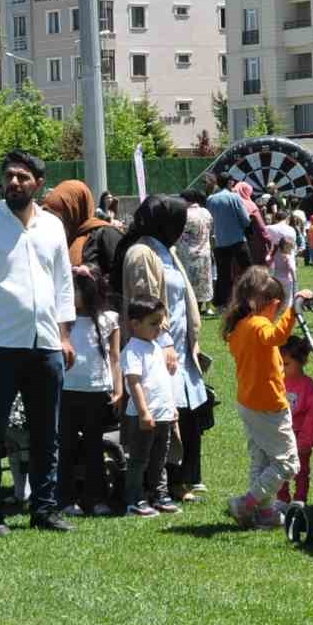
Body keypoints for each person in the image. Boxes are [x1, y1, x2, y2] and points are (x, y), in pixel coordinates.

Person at [0, 150, 77, 535]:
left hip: (46, 343)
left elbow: (63, 284)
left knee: (48, 432)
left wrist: (65, 336)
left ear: (38, 183)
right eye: (9, 176)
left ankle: (44, 510)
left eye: (23, 177)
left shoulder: (53, 227)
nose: (14, 182)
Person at [116, 196, 209, 504]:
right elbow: (145, 303)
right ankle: (159, 486)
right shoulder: (142, 252)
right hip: (160, 348)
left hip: (181, 346)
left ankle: (183, 479)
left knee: (186, 413)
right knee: (164, 416)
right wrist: (165, 341)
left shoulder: (166, 250)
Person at [223, 267, 306, 529]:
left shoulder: (238, 327)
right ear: (270, 304)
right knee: (288, 463)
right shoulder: (259, 325)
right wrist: (294, 310)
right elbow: (277, 337)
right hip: (269, 404)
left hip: (248, 402)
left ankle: (264, 511)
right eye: (277, 306)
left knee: (261, 458)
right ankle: (246, 503)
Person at [58, 267, 120, 517]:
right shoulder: (62, 322)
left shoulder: (108, 320)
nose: (72, 295)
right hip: (67, 390)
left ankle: (96, 498)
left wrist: (119, 388)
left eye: (77, 289)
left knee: (95, 447)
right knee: (67, 446)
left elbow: (115, 357)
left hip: (97, 390)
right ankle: (65, 498)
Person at [119, 295, 177, 517]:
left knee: (159, 459)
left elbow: (162, 381)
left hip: (163, 414)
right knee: (139, 459)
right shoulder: (133, 350)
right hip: (144, 416)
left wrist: (171, 407)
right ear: (135, 324)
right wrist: (143, 412)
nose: (159, 328)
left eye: (161, 322)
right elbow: (134, 383)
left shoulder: (155, 347)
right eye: (153, 323)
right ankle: (134, 499)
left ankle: (159, 495)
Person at [43, 179, 122, 281]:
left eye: (60, 217)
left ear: (75, 211)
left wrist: (91, 271)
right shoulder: (60, 242)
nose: (53, 223)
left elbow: (122, 278)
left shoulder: (107, 234)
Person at [275, 335, 313, 505]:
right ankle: (282, 499)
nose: (281, 368)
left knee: (301, 471)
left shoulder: (307, 386)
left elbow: (312, 415)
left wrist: (305, 441)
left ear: (301, 362)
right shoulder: (278, 382)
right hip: (281, 436)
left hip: (300, 438)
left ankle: (300, 498)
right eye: (279, 363)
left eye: (286, 364)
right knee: (280, 468)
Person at [203, 172, 251, 309]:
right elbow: (245, 219)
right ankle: (252, 296)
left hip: (220, 241)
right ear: (229, 182)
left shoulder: (211, 199)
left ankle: (221, 303)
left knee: (223, 274)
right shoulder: (234, 197)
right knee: (248, 270)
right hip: (237, 239)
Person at [178, 190, 215, 314]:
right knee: (206, 279)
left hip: (190, 253)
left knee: (191, 281)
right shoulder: (206, 212)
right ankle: (208, 306)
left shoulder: (185, 214)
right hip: (205, 249)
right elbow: (211, 229)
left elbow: (181, 233)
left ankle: (194, 307)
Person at [265, 200, 299, 311]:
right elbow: (292, 249)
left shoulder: (269, 229)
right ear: (287, 218)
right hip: (288, 269)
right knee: (288, 300)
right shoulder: (291, 230)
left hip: (273, 268)